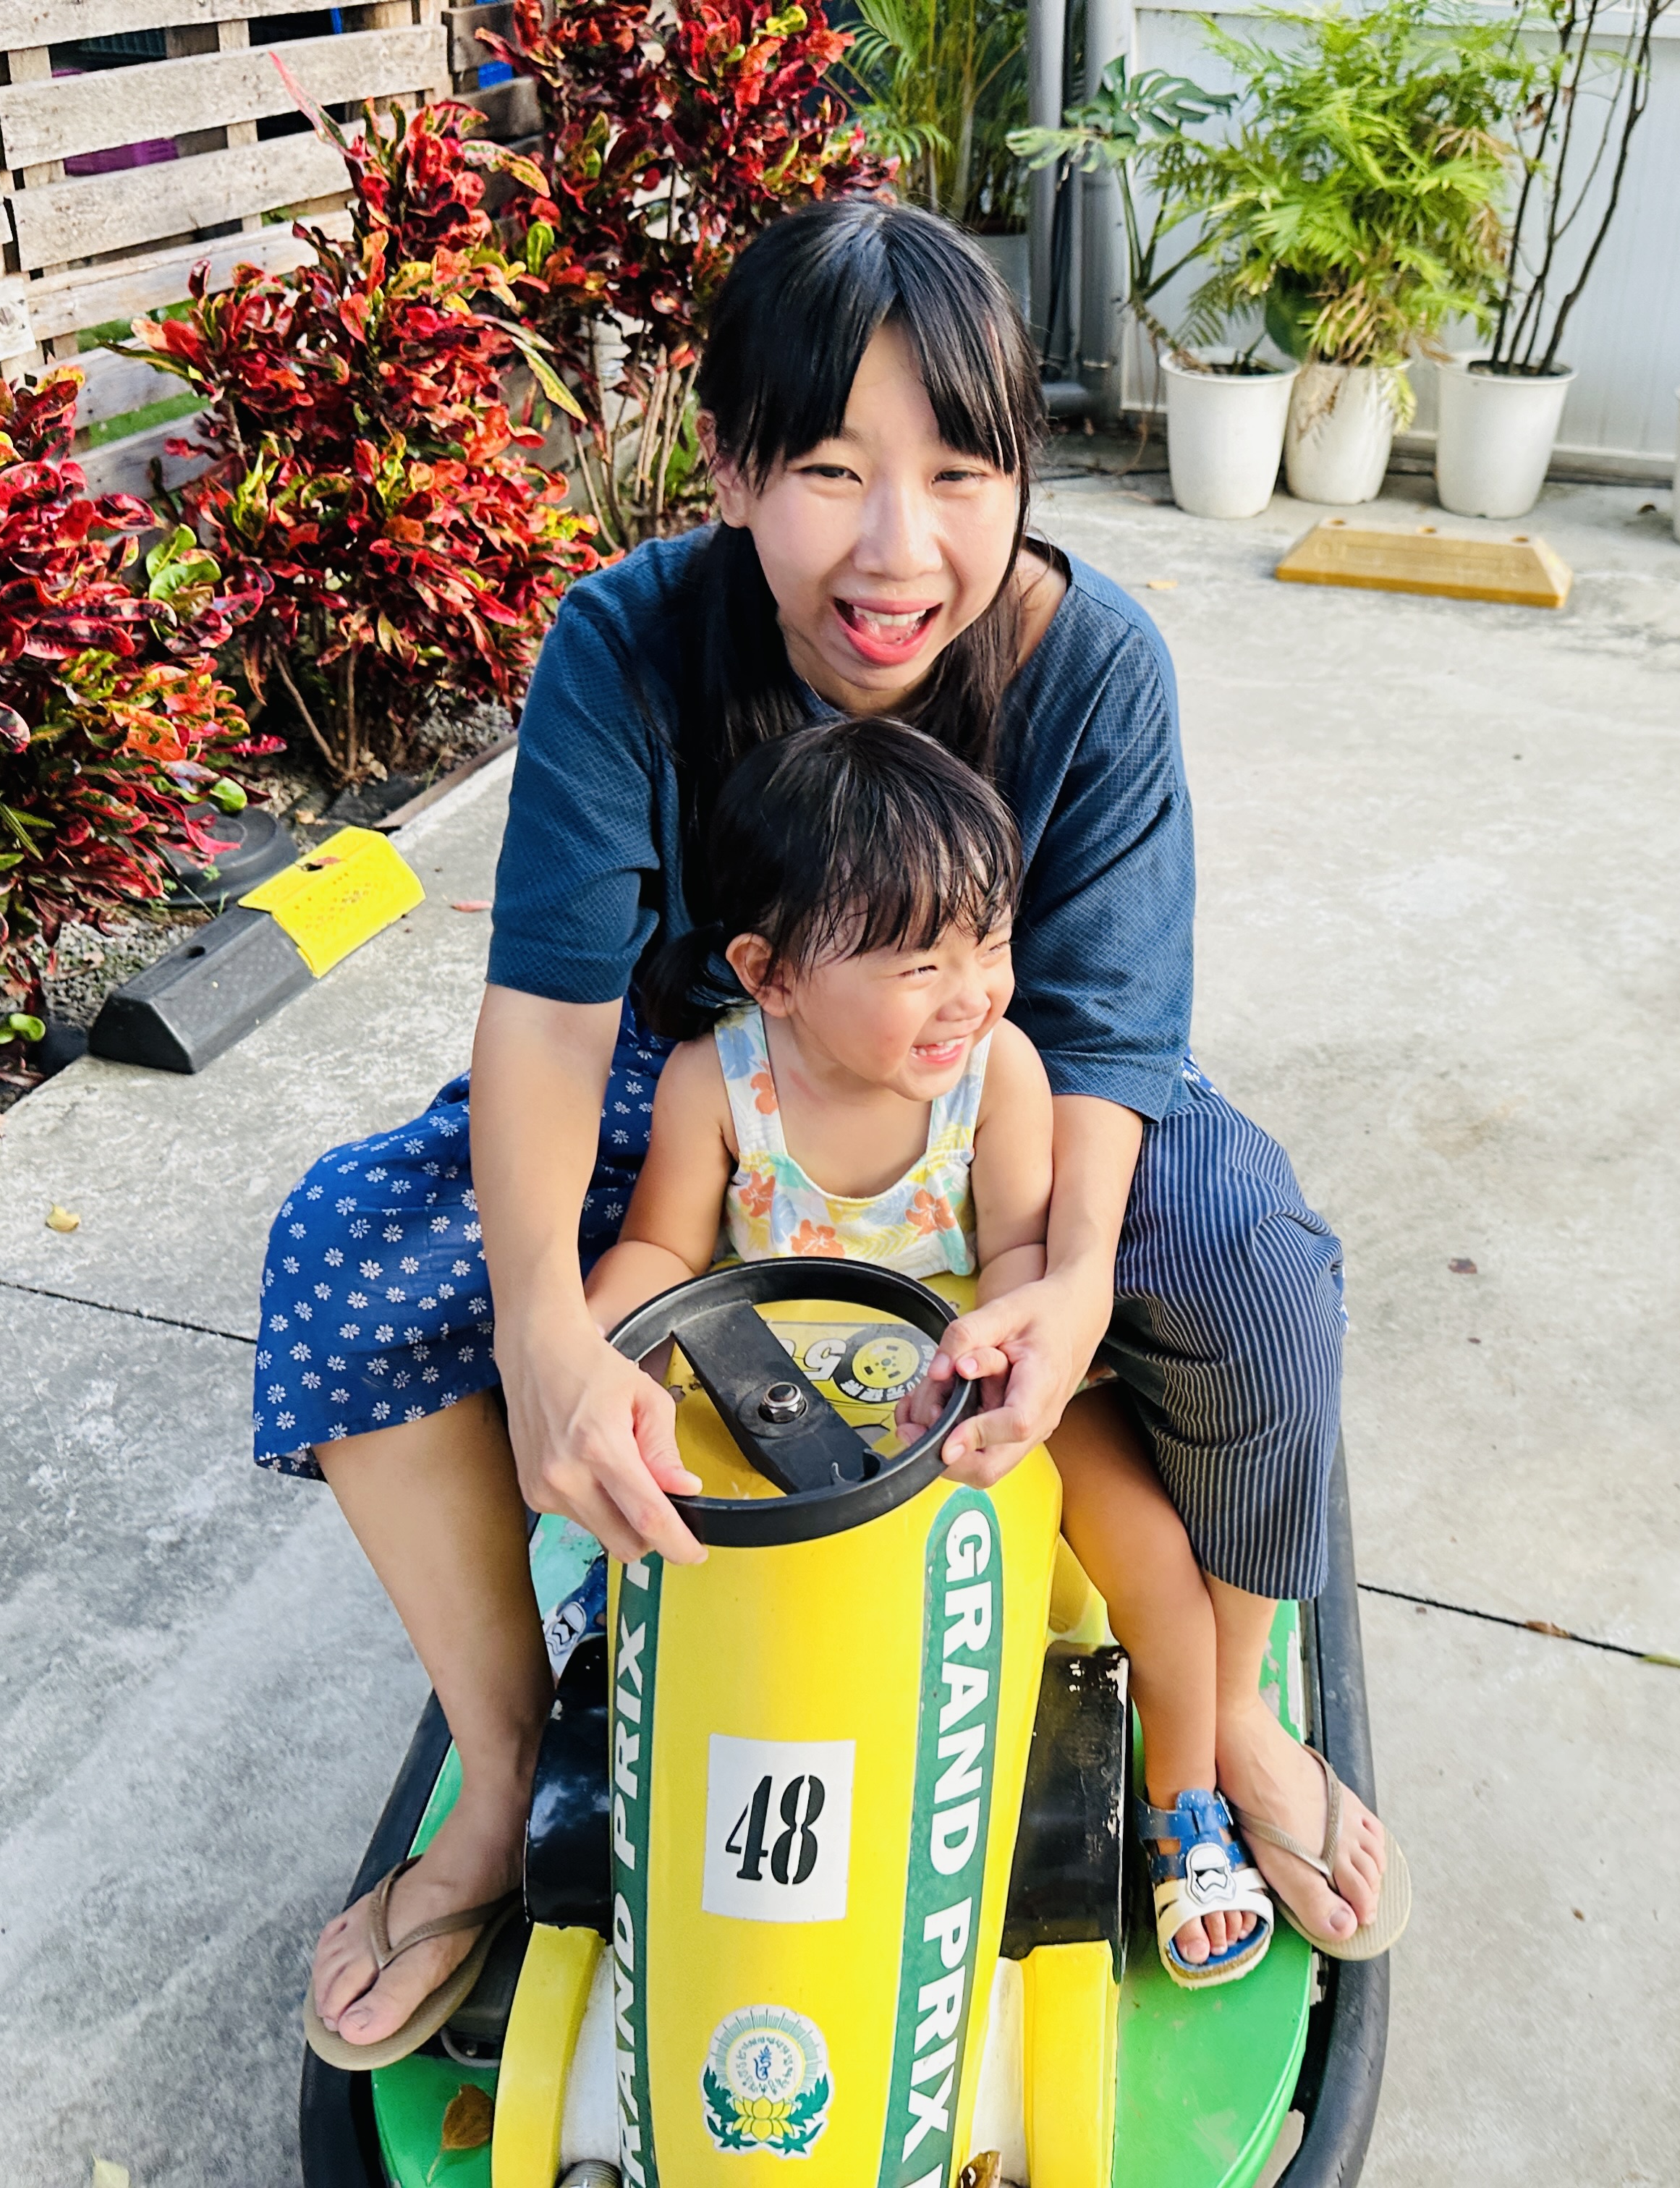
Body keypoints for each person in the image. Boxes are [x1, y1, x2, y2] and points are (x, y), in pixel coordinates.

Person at [276, 196, 1403, 2064]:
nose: (901, 549)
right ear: (729, 469)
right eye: (827, 471)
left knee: (1257, 1267)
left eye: (962, 474)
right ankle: (503, 1769)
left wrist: (1073, 1279)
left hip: (1012, 1090)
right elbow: (553, 1012)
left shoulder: (1096, 669)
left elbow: (1107, 1036)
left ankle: (1245, 1713)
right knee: (345, 1249)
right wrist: (548, 1328)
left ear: (1024, 475)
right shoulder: (627, 645)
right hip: (714, 1085)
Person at [585, 713, 1278, 1988]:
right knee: (627, 1568)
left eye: (992, 944)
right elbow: (663, 1252)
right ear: (771, 973)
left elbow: (1019, 1258)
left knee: (1155, 1567)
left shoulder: (995, 1073)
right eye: (920, 964)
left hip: (976, 1386)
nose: (973, 992)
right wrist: (589, 1346)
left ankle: (1184, 1795)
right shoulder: (718, 1082)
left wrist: (992, 1369)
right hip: (769, 1398)